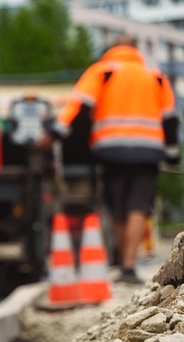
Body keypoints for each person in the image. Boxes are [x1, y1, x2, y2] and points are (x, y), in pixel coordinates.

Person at [36, 35, 179, 284]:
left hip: (111, 150)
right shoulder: (155, 75)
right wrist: (172, 156)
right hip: (148, 151)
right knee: (138, 206)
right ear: (136, 50)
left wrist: (55, 134)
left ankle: (121, 263)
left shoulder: (102, 71)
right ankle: (129, 265)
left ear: (113, 48)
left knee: (118, 206)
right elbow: (169, 118)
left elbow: (78, 106)